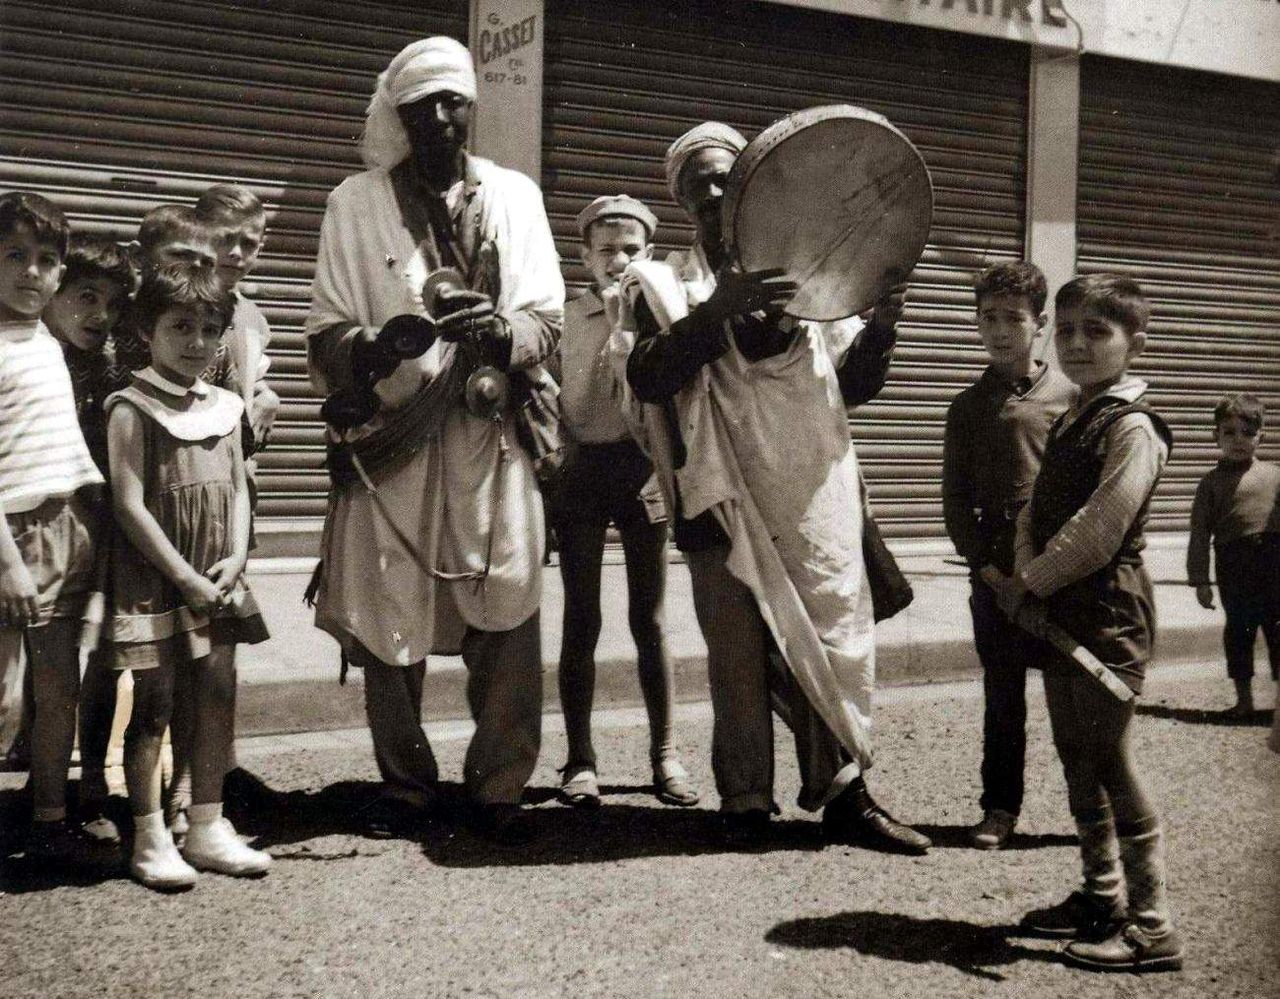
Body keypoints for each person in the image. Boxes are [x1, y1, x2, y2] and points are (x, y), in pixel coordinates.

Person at [615, 121, 930, 853]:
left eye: (729, 179)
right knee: (736, 650)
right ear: (685, 203)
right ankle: (745, 801)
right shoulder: (663, 284)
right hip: (718, 492)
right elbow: (647, 375)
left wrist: (881, 326)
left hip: (811, 486)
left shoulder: (813, 267)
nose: (717, 194)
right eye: (700, 187)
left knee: (832, 632)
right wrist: (715, 311)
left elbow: (849, 384)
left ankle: (849, 795)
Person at [305, 37, 563, 846]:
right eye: (426, 106)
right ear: (401, 115)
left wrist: (503, 329)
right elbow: (324, 329)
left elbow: (548, 320)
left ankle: (499, 784)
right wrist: (380, 346)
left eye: (456, 102)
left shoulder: (515, 196)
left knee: (509, 589)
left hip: (490, 433)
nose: (443, 119)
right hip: (394, 436)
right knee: (389, 598)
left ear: (472, 110)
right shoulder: (355, 200)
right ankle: (407, 784)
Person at [990, 274, 1182, 972]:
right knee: (1075, 754)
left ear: (1136, 341)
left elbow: (1100, 528)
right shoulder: (1074, 413)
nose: (1077, 343)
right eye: (1066, 329)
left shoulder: (1133, 426)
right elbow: (1031, 511)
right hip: (1056, 603)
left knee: (1110, 756)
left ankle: (1153, 927)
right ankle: (1101, 895)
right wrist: (1021, 573)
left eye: (1097, 331)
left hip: (1106, 610)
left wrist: (1031, 581)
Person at [105, 266, 271, 890]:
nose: (196, 342)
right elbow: (129, 504)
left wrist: (235, 557)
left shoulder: (225, 407)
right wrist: (182, 576)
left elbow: (237, 489)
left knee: (215, 699)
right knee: (153, 708)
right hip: (160, 577)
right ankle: (149, 834)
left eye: (210, 329)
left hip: (218, 576)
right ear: (147, 329)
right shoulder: (131, 406)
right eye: (180, 326)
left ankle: (207, 823)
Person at [548, 194, 697, 810]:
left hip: (642, 469)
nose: (619, 260)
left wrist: (635, 321)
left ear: (650, 254)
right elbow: (558, 394)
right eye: (606, 250)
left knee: (650, 617)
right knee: (582, 616)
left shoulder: (663, 312)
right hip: (584, 468)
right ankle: (580, 759)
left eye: (632, 249)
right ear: (584, 256)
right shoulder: (566, 316)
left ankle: (666, 753)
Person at [942, 261, 1075, 850]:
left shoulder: (1070, 398)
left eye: (1013, 319)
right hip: (996, 570)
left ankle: (1093, 810)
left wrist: (1054, 567)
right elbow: (953, 501)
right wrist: (986, 568)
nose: (999, 330)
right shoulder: (967, 407)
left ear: (1039, 324)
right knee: (1003, 696)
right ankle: (999, 807)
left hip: (1062, 566)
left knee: (1074, 695)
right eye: (988, 318)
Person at [0, 192, 104, 859]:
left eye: (45, 260)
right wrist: (7, 561)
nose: (30, 273)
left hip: (66, 527)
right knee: (5, 688)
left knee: (58, 678)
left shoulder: (45, 335)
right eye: (13, 256)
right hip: (12, 536)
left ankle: (48, 814)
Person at [42, 233, 137, 844]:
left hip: (98, 525)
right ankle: (45, 789)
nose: (99, 317)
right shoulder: (29, 355)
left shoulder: (110, 367)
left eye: (110, 303)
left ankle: (92, 784)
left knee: (101, 657)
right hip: (33, 528)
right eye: (84, 298)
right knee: (38, 669)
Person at [1186, 393, 1280, 717]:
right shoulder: (1210, 484)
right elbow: (1199, 533)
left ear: (1262, 436)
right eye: (1229, 432)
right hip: (1233, 563)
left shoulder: (1275, 475)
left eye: (1248, 432)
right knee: (1239, 632)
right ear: (1216, 436)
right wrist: (1199, 580)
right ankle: (1244, 701)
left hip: (1274, 560)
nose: (1239, 440)